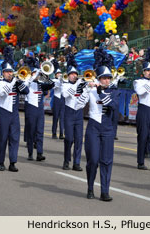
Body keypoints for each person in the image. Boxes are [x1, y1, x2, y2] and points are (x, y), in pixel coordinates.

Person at [75, 65, 119, 201]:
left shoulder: (114, 91)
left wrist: (100, 92)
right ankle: (90, 188)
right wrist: (86, 90)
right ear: (99, 79)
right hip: (93, 127)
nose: (107, 81)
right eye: (104, 78)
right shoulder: (91, 91)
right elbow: (77, 105)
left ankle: (104, 191)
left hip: (107, 128)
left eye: (108, 78)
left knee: (106, 161)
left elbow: (114, 106)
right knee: (93, 160)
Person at [0, 54, 29, 172]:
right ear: (3, 73)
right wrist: (13, 82)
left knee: (14, 138)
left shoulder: (16, 82)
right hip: (3, 113)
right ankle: (1, 161)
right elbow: (0, 93)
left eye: (11, 71)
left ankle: (13, 162)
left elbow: (27, 91)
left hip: (14, 114)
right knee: (2, 138)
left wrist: (19, 82)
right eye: (7, 72)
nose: (10, 73)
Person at [24, 66, 54, 161]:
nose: (36, 75)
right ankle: (30, 152)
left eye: (37, 73)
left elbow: (51, 85)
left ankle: (39, 153)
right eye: (34, 73)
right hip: (31, 108)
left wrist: (44, 77)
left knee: (40, 131)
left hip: (40, 109)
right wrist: (34, 76)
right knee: (31, 131)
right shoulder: (27, 82)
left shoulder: (41, 84)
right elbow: (25, 86)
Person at [61, 54, 85, 171]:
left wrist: (86, 87)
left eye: (75, 74)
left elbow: (86, 97)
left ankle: (76, 162)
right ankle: (66, 160)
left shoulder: (81, 85)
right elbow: (65, 95)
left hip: (79, 113)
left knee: (79, 139)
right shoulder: (65, 85)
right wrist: (77, 86)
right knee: (69, 139)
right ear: (68, 75)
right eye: (71, 74)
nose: (74, 76)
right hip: (69, 113)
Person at [51, 68, 65, 139]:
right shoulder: (54, 80)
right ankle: (54, 133)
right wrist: (59, 81)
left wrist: (62, 81)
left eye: (60, 73)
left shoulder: (64, 80)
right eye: (58, 73)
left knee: (62, 118)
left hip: (62, 99)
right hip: (56, 99)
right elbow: (54, 87)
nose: (59, 74)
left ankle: (61, 134)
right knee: (55, 117)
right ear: (55, 75)